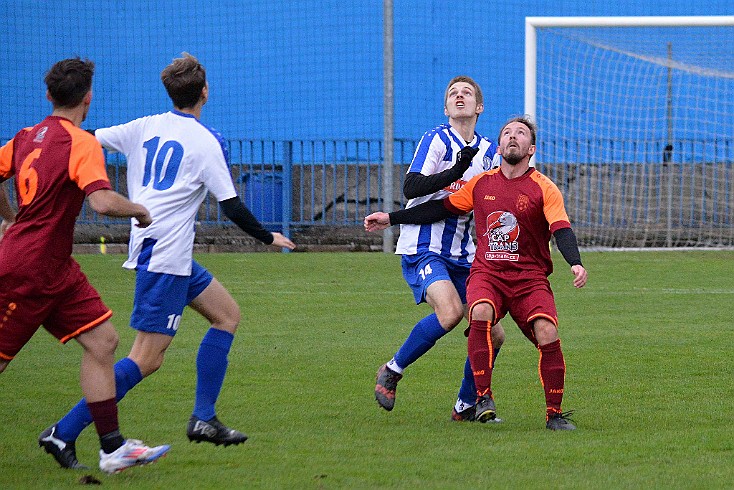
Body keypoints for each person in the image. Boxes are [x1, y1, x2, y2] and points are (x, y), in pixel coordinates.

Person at [42, 52, 296, 468]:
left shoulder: (144, 126)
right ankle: (63, 431)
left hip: (167, 254)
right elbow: (230, 205)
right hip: (165, 257)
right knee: (146, 358)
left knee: (227, 315)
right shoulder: (204, 140)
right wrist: (268, 237)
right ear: (205, 92)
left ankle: (204, 418)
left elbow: (86, 138)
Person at [0, 57, 170, 473]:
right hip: (29, 271)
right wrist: (140, 211)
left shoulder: (25, 137)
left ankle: (111, 448)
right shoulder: (80, 143)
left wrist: (9, 218)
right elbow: (101, 201)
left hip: (54, 267)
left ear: (48, 95)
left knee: (103, 342)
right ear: (88, 98)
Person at [365, 116, 587, 430]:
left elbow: (561, 228)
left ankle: (539, 413)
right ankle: (472, 394)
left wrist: (575, 262)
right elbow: (438, 207)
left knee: (535, 334)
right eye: (507, 132)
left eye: (521, 133)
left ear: (531, 148)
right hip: (482, 270)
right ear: (499, 147)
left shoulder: (542, 186)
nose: (513, 136)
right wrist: (392, 217)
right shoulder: (478, 179)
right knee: (472, 311)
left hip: (525, 277)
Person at [373, 75, 506, 421]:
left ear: (479, 107)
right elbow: (412, 186)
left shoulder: (490, 152)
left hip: (464, 255)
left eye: (466, 93)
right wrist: (456, 170)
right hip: (423, 247)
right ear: (446, 107)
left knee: (494, 332)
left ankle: (464, 405)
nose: (459, 97)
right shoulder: (437, 140)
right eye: (452, 94)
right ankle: (392, 370)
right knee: (450, 314)